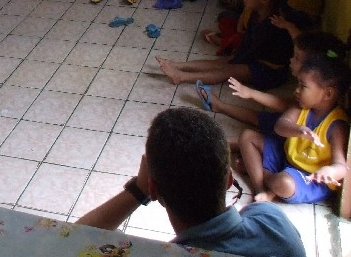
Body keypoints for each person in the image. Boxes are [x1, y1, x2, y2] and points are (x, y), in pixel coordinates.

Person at [76, 107, 305, 257]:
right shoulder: (273, 222)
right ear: (229, 179)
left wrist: (138, 190)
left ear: (154, 189)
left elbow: (68, 239)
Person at [238, 55, 349, 204]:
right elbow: (280, 126)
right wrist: (298, 130)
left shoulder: (337, 125)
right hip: (286, 158)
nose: (296, 90)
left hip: (308, 178)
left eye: (303, 86)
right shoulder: (301, 106)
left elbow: (342, 166)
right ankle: (260, 189)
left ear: (327, 94)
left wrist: (329, 171)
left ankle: (258, 173)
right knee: (247, 136)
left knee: (284, 183)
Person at [157, 0, 293, 89]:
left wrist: (235, 59)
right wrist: (235, 56)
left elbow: (253, 51)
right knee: (222, 62)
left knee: (227, 70)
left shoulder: (273, 24)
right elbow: (248, 42)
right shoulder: (256, 14)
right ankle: (178, 65)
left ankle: (181, 77)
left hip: (270, 71)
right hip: (256, 58)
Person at [196, 31, 347, 130]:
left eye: (297, 58)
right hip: (291, 126)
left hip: (292, 138)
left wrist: (251, 93)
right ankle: (221, 107)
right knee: (260, 117)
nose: (291, 60)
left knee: (258, 120)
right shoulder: (314, 89)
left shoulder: (316, 100)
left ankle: (221, 111)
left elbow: (281, 104)